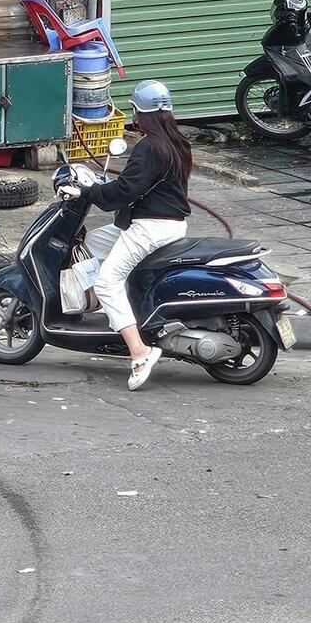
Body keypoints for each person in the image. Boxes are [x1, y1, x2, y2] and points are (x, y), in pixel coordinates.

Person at [67, 79, 192, 390]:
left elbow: (123, 191)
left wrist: (88, 190)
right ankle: (113, 312)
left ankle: (139, 351)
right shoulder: (178, 142)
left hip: (150, 228)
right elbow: (139, 186)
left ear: (141, 114)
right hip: (168, 224)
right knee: (95, 241)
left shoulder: (150, 147)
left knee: (106, 282)